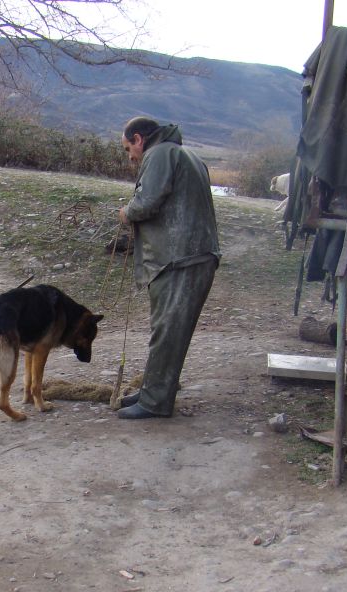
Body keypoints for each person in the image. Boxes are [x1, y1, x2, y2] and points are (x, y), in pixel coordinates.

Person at [116, 116, 221, 419]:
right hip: (192, 256)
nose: (131, 157)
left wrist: (126, 213)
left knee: (167, 333)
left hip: (180, 258)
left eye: (128, 149)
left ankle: (154, 403)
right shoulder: (188, 155)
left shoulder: (159, 154)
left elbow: (146, 203)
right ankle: (154, 390)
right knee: (167, 331)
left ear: (138, 139)